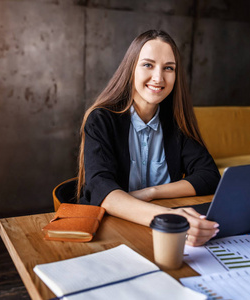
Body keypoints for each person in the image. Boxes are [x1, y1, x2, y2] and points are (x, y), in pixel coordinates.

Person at [77, 29, 221, 246]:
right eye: (148, 65)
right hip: (114, 233)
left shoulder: (176, 122)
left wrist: (150, 192)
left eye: (168, 68)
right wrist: (166, 218)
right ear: (131, 69)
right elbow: (100, 188)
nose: (158, 77)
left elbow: (209, 176)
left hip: (161, 235)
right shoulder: (101, 119)